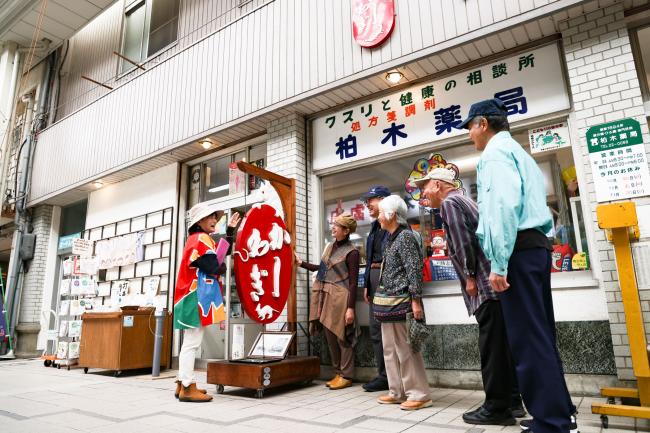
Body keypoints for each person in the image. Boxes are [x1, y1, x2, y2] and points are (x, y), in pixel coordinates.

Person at [459, 98, 578, 433]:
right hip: (537, 248)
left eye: (470, 126)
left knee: (527, 339)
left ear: (483, 123)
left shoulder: (494, 155)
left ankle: (552, 423)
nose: (470, 134)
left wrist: (498, 264)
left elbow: (502, 209)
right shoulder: (520, 153)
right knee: (541, 335)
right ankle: (559, 412)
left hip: (517, 252)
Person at [413, 167, 524, 425]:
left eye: (426, 186)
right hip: (495, 286)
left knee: (492, 349)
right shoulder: (465, 200)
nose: (423, 192)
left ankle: (497, 408)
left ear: (440, 185)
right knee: (502, 347)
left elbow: (463, 242)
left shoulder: (450, 203)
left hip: (484, 287)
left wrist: (470, 275)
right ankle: (513, 402)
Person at [173, 202, 240, 402]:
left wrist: (229, 232)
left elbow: (217, 259)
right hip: (194, 296)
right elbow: (215, 265)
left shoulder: (198, 238)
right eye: (210, 216)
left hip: (191, 296)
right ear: (199, 221)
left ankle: (181, 383)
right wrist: (221, 268)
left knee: (189, 342)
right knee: (192, 343)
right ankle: (187, 386)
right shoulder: (201, 238)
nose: (214, 220)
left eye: (215, 217)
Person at [374, 195, 432, 411]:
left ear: (391, 215)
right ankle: (396, 391)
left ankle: (419, 394)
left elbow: (414, 269)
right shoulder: (389, 238)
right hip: (388, 303)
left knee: (406, 349)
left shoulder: (406, 237)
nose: (378, 217)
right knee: (389, 349)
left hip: (402, 302)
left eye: (381, 212)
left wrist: (416, 301)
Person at [296, 213, 360, 390]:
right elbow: (322, 270)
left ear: (346, 231)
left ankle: (347, 375)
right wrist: (301, 263)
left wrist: (350, 308)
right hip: (326, 295)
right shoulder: (330, 247)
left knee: (342, 336)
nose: (333, 228)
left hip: (341, 297)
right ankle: (338, 372)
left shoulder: (352, 252)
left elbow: (354, 282)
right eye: (333, 225)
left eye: (337, 226)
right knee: (330, 336)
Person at [360, 186, 391, 392]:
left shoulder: (393, 224)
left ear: (383, 200)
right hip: (373, 281)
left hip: (386, 280)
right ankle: (383, 376)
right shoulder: (373, 227)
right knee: (375, 331)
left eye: (370, 200)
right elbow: (370, 258)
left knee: (390, 332)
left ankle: (393, 376)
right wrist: (366, 284)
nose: (367, 205)